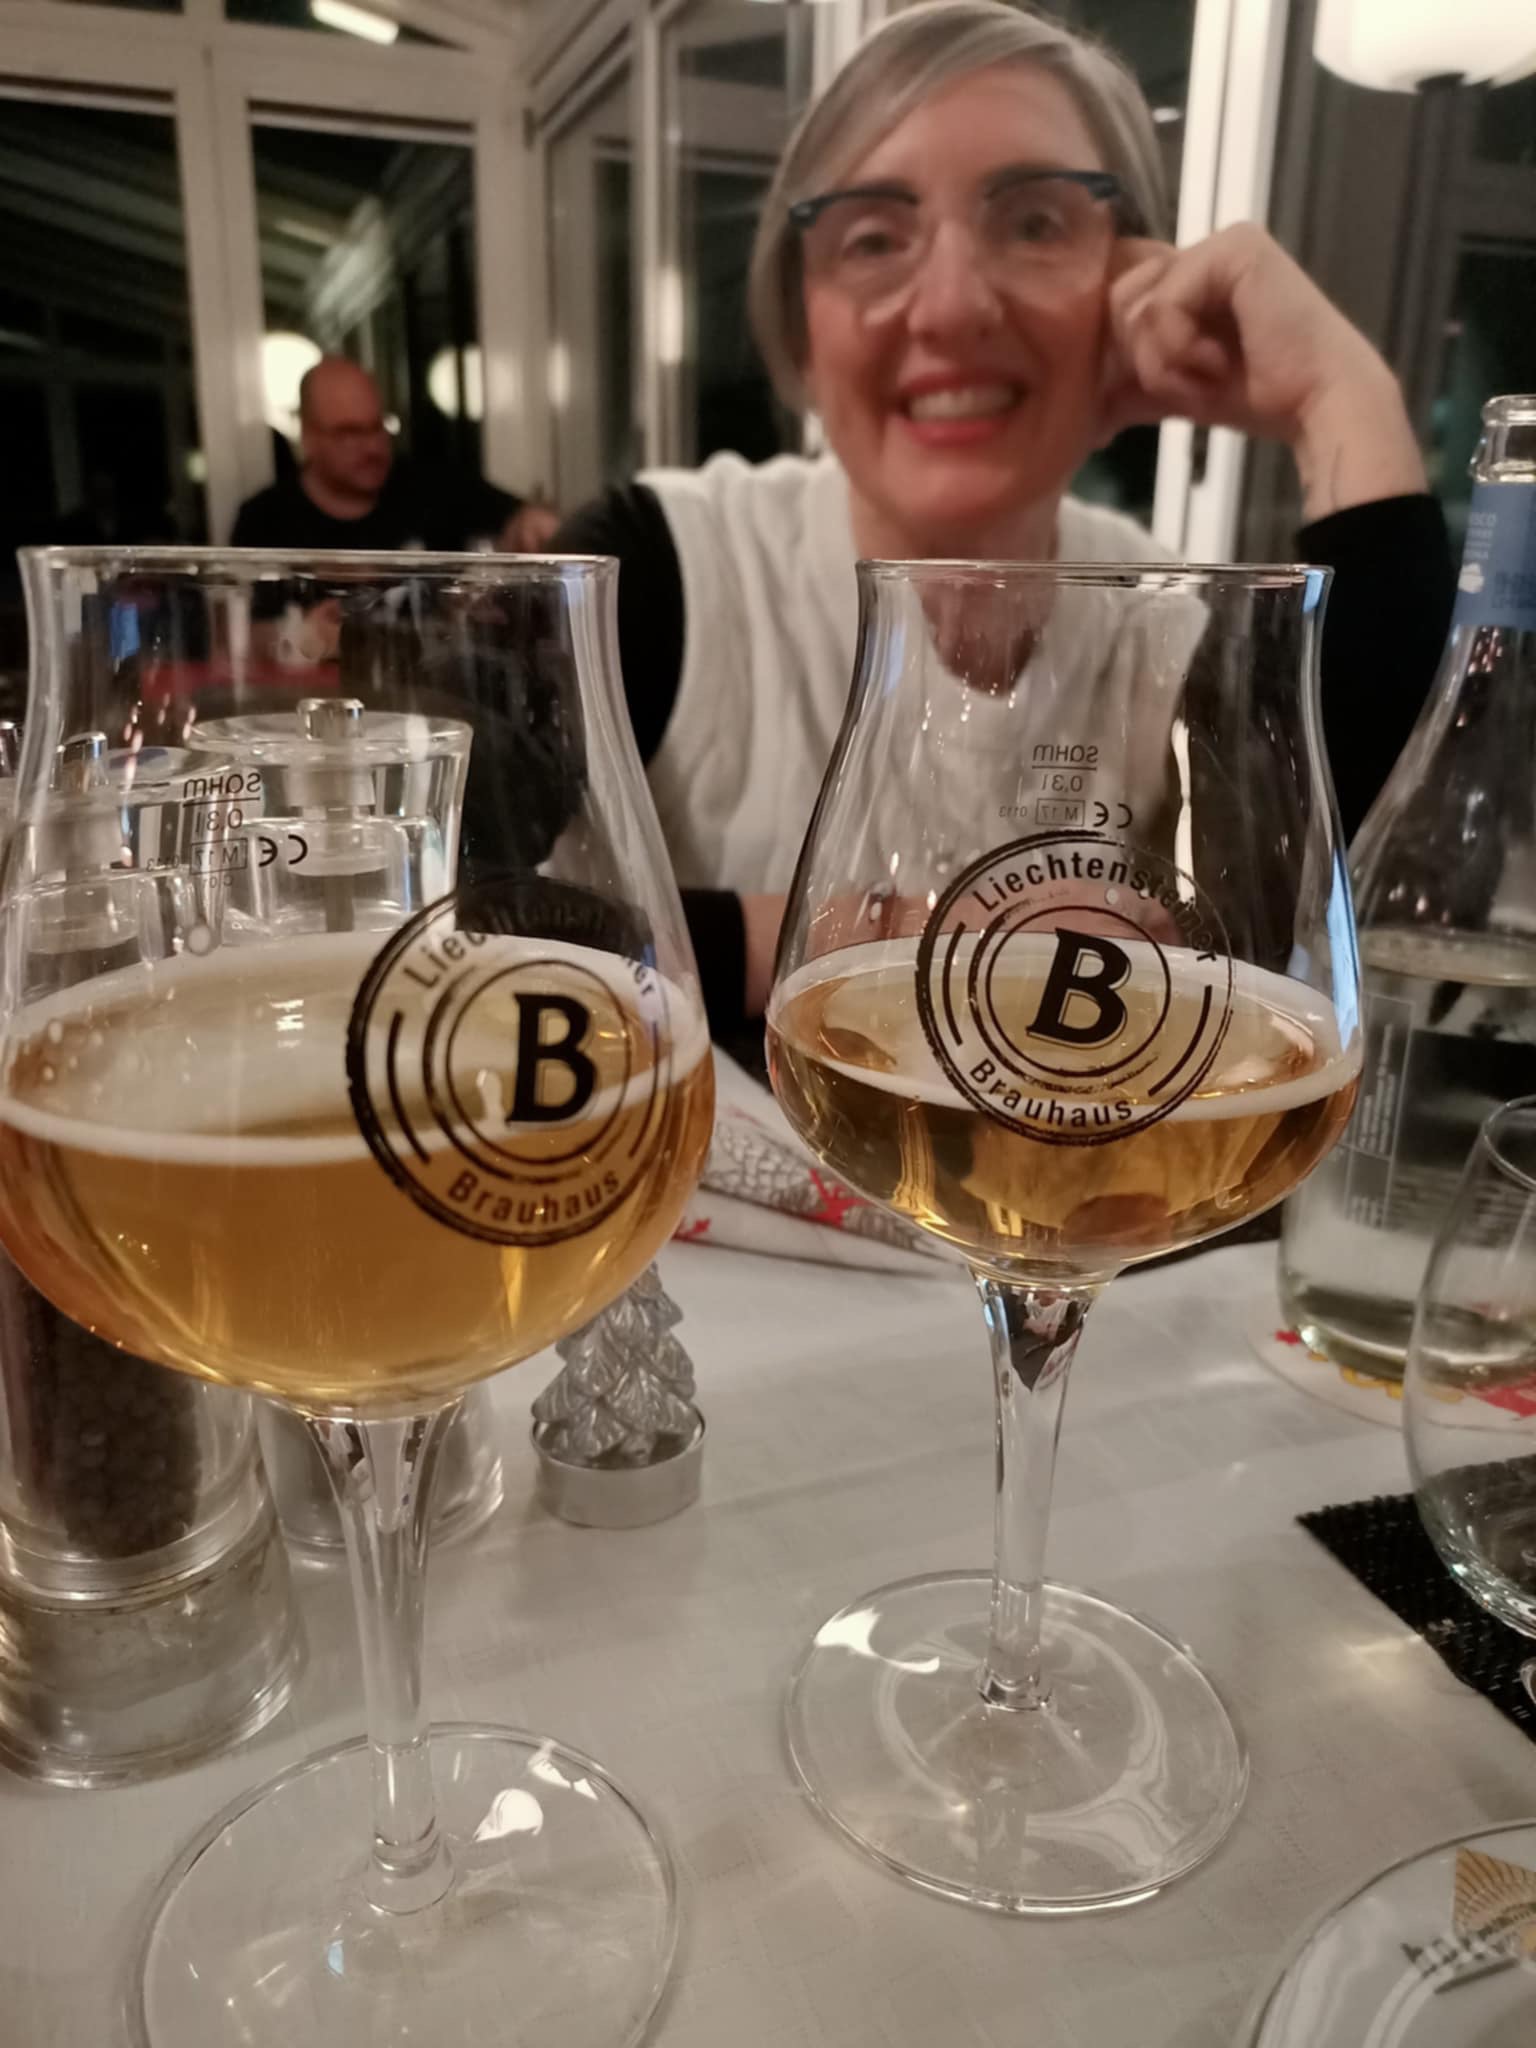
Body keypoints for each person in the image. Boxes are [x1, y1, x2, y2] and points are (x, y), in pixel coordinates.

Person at [554, 0, 1454, 1043]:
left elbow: (1367, 911)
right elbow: (437, 903)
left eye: (1034, 225)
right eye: (873, 237)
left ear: (1135, 287)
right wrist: (883, 936)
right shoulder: (657, 566)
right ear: (801, 323)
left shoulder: (1171, 621)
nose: (951, 307)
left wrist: (1339, 398)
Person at [231, 357, 559, 554]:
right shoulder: (264, 520)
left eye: (378, 427)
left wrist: (531, 523)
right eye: (350, 433)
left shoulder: (434, 488)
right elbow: (238, 631)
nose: (372, 447)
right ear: (309, 436)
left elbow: (523, 518)